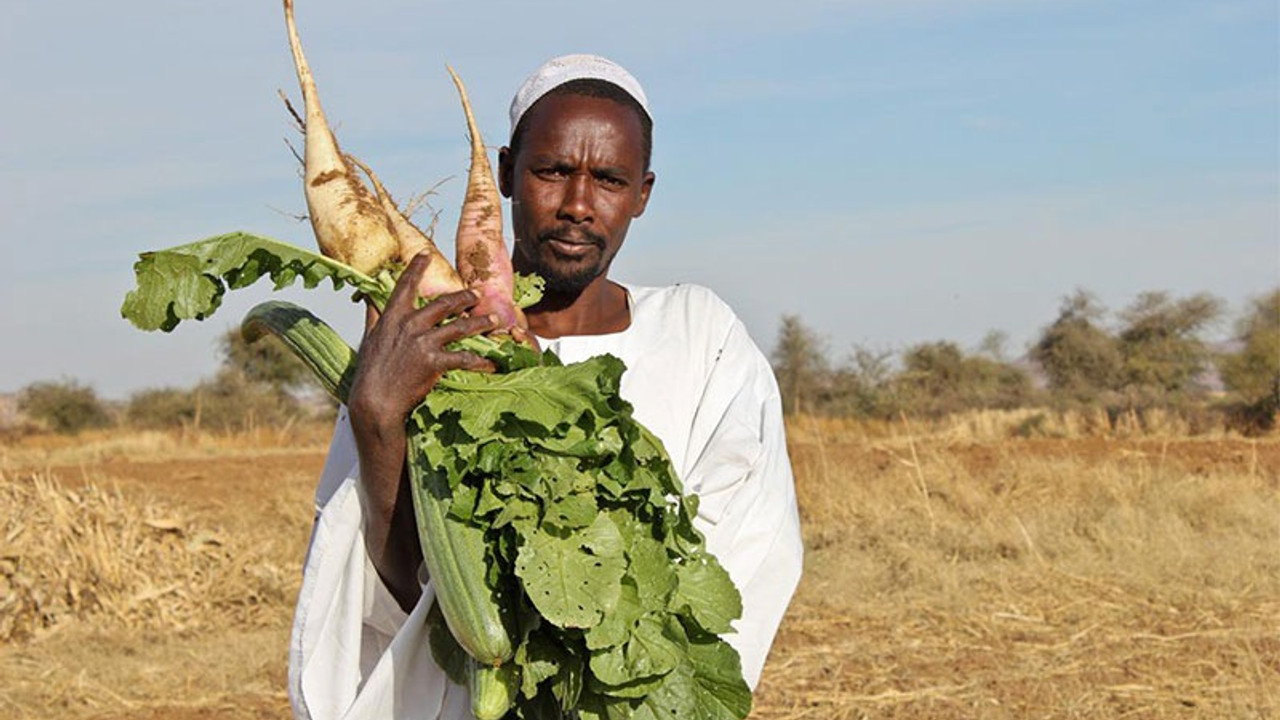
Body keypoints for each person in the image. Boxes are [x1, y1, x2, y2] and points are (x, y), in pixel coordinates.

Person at [288, 54, 804, 720]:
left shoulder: (702, 338)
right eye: (552, 171)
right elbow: (362, 589)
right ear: (505, 174)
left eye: (609, 179)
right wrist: (379, 420)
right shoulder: (423, 350)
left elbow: (749, 550)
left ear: (642, 193)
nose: (578, 205)